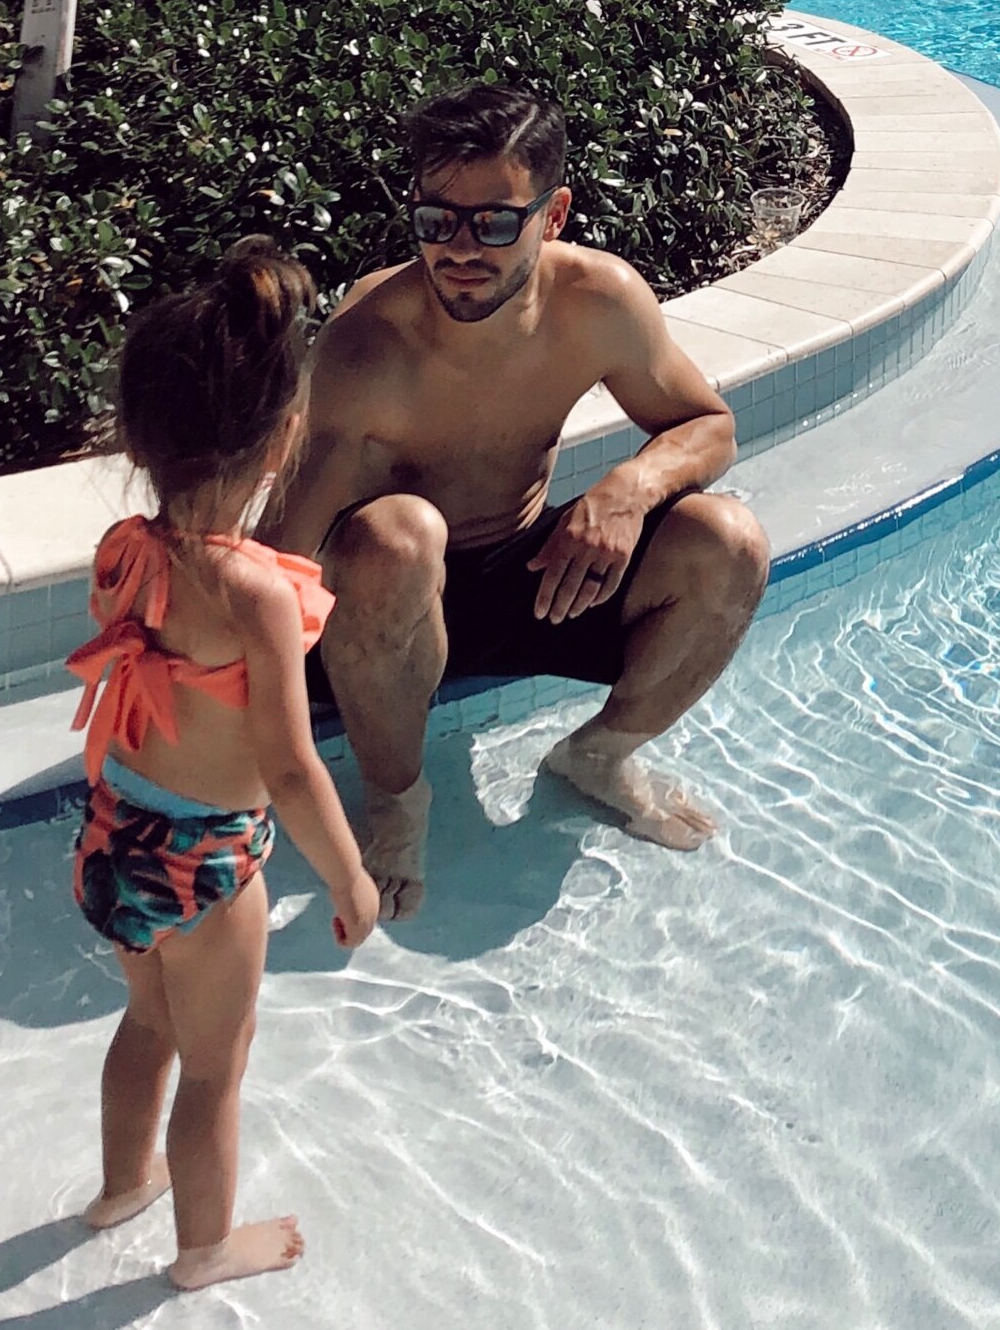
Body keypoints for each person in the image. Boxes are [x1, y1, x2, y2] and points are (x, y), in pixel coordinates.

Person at [275, 83, 771, 916]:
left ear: (553, 214)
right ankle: (396, 798)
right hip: (374, 609)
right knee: (401, 536)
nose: (460, 250)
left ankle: (599, 757)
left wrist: (628, 487)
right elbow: (282, 557)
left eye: (495, 222)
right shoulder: (368, 344)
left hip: (529, 576)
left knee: (730, 539)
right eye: (437, 220)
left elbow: (708, 427)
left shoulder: (598, 302)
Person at [68, 240, 379, 1293]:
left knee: (146, 1023)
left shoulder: (125, 549)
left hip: (114, 838)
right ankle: (204, 1252)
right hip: (206, 868)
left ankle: (119, 1187)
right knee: (215, 1069)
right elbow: (290, 768)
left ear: (139, 437)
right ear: (284, 438)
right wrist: (346, 874)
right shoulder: (258, 595)